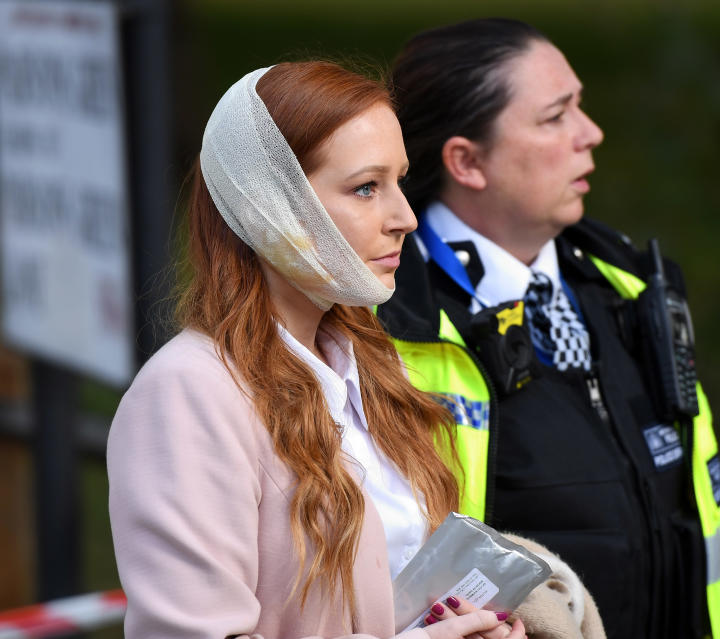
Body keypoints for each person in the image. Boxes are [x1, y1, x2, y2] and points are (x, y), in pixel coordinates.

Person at [377, 18, 720, 639]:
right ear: (467, 161)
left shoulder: (630, 289)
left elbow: (709, 526)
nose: (591, 133)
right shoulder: (385, 323)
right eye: (555, 117)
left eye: (580, 106)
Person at [106, 60, 527, 639]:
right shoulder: (188, 392)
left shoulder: (373, 366)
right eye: (366, 188)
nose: (404, 217)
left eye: (400, 181)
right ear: (273, 205)